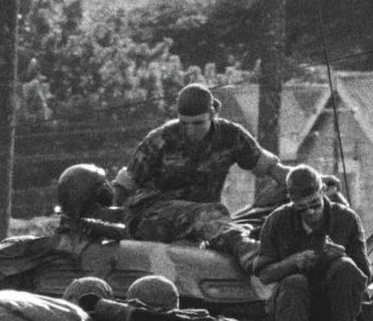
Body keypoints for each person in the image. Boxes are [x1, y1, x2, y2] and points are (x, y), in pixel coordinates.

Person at [110, 83, 289, 267]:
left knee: (267, 211)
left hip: (200, 220)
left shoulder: (230, 135)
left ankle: (250, 244)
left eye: (197, 123)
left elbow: (272, 169)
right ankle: (245, 249)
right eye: (184, 123)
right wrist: (110, 220)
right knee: (208, 214)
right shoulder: (162, 138)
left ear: (212, 114)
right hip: (150, 217)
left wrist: (309, 181)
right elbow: (125, 184)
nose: (190, 130)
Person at [252, 165, 368, 321]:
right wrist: (292, 262)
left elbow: (364, 274)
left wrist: (343, 255)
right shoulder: (278, 221)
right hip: (290, 306)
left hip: (335, 306)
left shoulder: (346, 220)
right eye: (302, 208)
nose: (311, 212)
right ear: (292, 202)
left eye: (315, 204)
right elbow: (263, 274)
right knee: (295, 282)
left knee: (345, 268)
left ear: (323, 191)